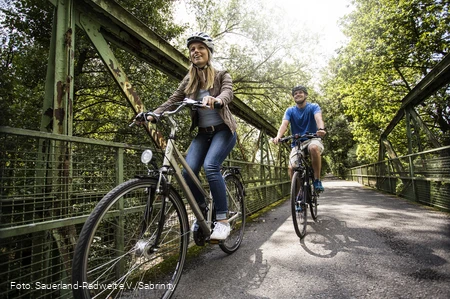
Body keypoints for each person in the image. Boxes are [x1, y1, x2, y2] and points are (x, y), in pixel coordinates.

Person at [143, 32, 237, 240]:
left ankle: (222, 220)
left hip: (223, 131)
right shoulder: (189, 80)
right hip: (203, 134)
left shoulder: (222, 74)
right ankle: (203, 210)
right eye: (192, 49)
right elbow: (173, 100)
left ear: (209, 52)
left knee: (211, 166)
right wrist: (154, 113)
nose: (196, 51)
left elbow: (228, 93)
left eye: (200, 48)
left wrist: (217, 100)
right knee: (188, 173)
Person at [272, 85, 326, 191]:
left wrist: (321, 129)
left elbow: (318, 117)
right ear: (293, 97)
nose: (298, 94)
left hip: (312, 138)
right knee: (292, 168)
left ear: (305, 95)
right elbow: (284, 124)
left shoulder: (313, 107)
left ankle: (317, 180)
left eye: (300, 92)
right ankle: (298, 196)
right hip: (297, 143)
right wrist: (278, 136)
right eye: (295, 93)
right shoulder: (290, 111)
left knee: (314, 148)